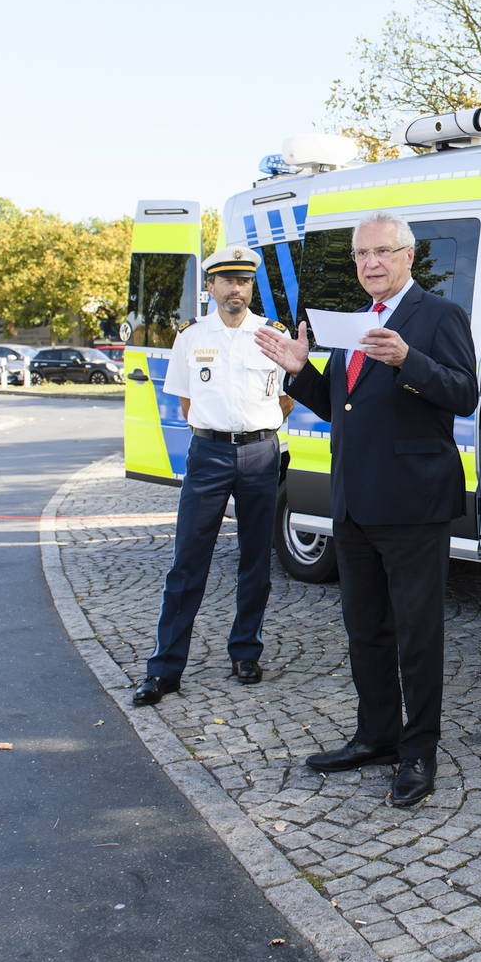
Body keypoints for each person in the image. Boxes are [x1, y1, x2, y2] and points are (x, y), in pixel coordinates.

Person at [255, 210, 478, 809]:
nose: (370, 264)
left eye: (381, 252)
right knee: (366, 632)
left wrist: (409, 360)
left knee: (416, 635)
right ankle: (375, 736)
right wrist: (300, 371)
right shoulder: (353, 323)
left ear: (408, 256)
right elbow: (343, 406)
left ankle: (418, 752)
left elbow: (462, 392)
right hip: (353, 503)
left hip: (412, 502)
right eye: (360, 256)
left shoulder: (440, 316)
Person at [132, 247, 294, 705]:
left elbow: (286, 399)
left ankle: (245, 651)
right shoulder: (190, 336)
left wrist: (257, 428)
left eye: (243, 281)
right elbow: (186, 404)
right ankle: (164, 669)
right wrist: (217, 432)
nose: (235, 289)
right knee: (188, 561)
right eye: (226, 281)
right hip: (208, 454)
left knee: (255, 559)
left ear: (250, 287)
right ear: (211, 287)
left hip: (261, 453)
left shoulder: (272, 334)